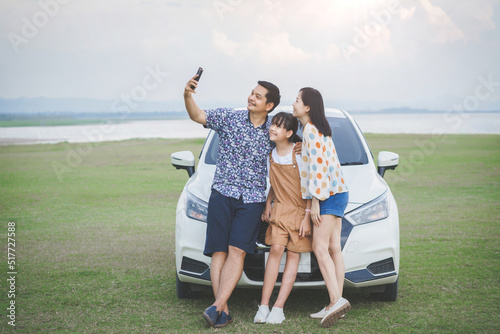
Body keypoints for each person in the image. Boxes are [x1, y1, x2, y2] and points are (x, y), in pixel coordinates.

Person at [183, 73, 281, 328]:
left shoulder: (274, 131)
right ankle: (222, 308)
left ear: (269, 106)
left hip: (252, 200)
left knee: (237, 250)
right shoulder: (230, 117)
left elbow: (293, 150)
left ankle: (216, 307)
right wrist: (187, 95)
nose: (251, 97)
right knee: (219, 251)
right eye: (252, 93)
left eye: (258, 96)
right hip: (222, 194)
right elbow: (197, 116)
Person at [292, 87, 351, 328]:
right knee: (334, 248)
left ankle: (336, 301)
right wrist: (301, 149)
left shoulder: (310, 130)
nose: (292, 103)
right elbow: (317, 161)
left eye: (296, 100)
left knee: (319, 247)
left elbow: (318, 168)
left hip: (327, 195)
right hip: (338, 192)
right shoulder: (317, 130)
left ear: (307, 107)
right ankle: (335, 304)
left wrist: (315, 202)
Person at [253, 112, 312, 325]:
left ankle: (279, 307)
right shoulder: (271, 156)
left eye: (279, 126)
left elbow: (308, 187)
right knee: (276, 250)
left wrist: (307, 216)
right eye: (273, 124)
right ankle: (264, 305)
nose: (273, 128)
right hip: (280, 210)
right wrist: (268, 203)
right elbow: (275, 186)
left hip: (299, 212)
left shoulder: (299, 154)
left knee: (294, 256)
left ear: (289, 133)